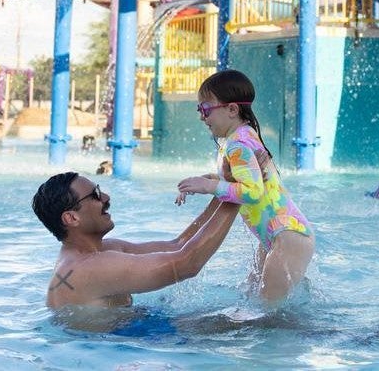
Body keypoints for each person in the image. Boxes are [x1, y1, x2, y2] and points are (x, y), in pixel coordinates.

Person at [175, 70, 314, 304]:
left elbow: (252, 191)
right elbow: (237, 179)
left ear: (232, 109)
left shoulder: (237, 144)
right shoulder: (240, 136)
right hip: (281, 234)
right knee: (255, 300)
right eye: (200, 110)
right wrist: (202, 182)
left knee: (269, 314)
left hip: (287, 236)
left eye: (206, 109)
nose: (202, 117)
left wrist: (209, 186)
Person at [33, 172, 240, 309]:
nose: (105, 197)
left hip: (118, 338)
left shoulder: (102, 250)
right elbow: (186, 264)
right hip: (105, 354)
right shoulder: (88, 267)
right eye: (95, 195)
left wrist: (221, 190)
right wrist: (240, 193)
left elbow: (178, 245)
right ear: (71, 218)